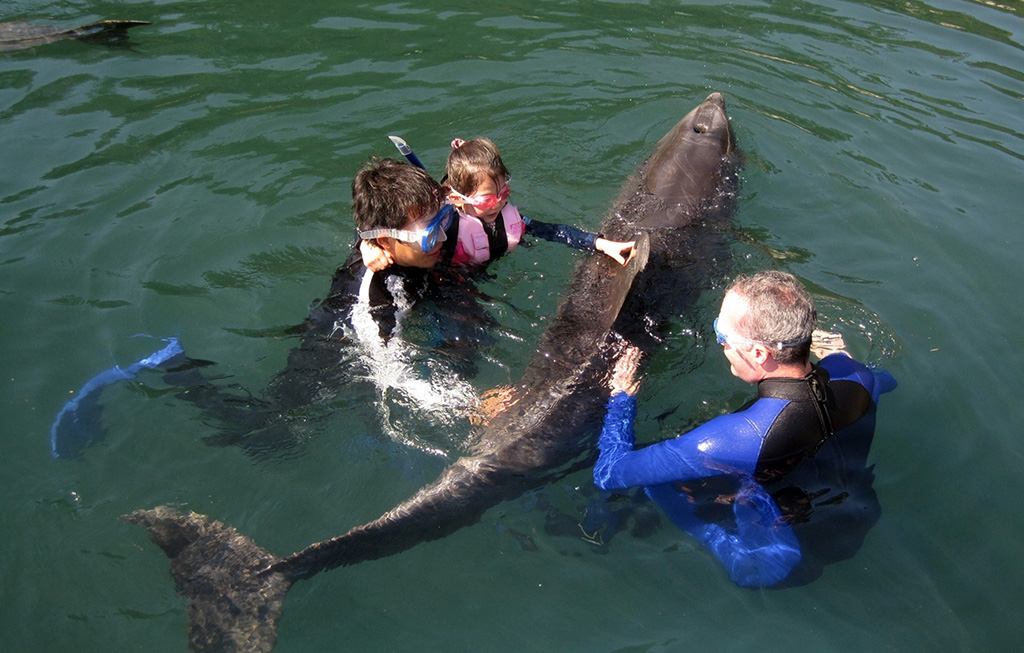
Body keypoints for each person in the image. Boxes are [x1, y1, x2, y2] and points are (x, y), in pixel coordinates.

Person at [594, 270, 896, 587]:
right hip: (857, 517)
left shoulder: (732, 438)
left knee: (657, 484)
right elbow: (883, 381)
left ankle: (710, 535)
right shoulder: (858, 376)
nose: (720, 344)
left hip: (775, 564)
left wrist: (621, 397)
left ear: (758, 353)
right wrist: (838, 357)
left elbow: (609, 473)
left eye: (722, 336)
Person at [362, 137, 636, 271]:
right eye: (488, 198)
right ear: (457, 198)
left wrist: (600, 243)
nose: (499, 202)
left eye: (503, 192)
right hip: (458, 281)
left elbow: (553, 232)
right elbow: (389, 223)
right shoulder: (446, 228)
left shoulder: (508, 218)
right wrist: (368, 245)